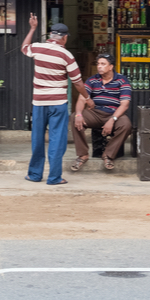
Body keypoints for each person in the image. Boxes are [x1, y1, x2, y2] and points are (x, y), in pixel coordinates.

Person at [20, 15, 93, 185]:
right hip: (58, 104)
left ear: (51, 36)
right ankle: (54, 177)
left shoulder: (37, 48)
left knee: (37, 139)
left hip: (38, 103)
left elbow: (24, 47)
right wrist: (88, 98)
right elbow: (78, 83)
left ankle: (34, 174)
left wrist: (32, 29)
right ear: (65, 38)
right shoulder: (67, 56)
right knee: (56, 140)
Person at [71, 53, 132, 171]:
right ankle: (83, 154)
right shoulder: (92, 80)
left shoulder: (121, 80)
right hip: (95, 113)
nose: (99, 66)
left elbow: (125, 105)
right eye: (98, 64)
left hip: (114, 114)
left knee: (126, 125)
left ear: (111, 67)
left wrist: (112, 119)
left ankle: (108, 155)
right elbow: (81, 99)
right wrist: (78, 114)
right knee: (74, 118)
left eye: (103, 64)